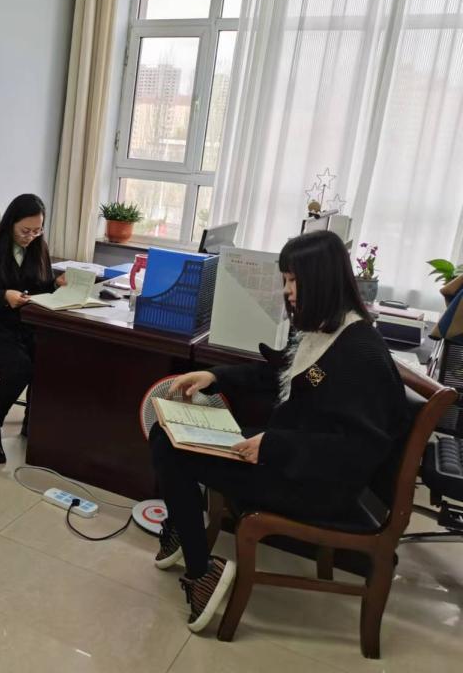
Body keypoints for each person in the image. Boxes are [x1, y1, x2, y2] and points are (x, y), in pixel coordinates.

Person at [150, 230, 408, 633]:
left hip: (315, 484)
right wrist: (215, 377)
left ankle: (201, 572)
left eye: (293, 280)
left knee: (171, 448)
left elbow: (359, 449)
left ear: (321, 280)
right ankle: (184, 530)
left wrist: (275, 445)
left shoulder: (359, 353)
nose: (287, 291)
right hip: (292, 458)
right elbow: (283, 376)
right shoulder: (327, 329)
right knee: (168, 434)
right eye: (286, 279)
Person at [0, 193, 65, 464]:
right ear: (11, 223)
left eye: (37, 230)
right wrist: (3, 297)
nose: (31, 236)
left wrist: (56, 284)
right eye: (25, 230)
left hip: (24, 325)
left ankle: (32, 424)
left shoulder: (38, 247)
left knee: (50, 359)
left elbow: (41, 287)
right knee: (20, 368)